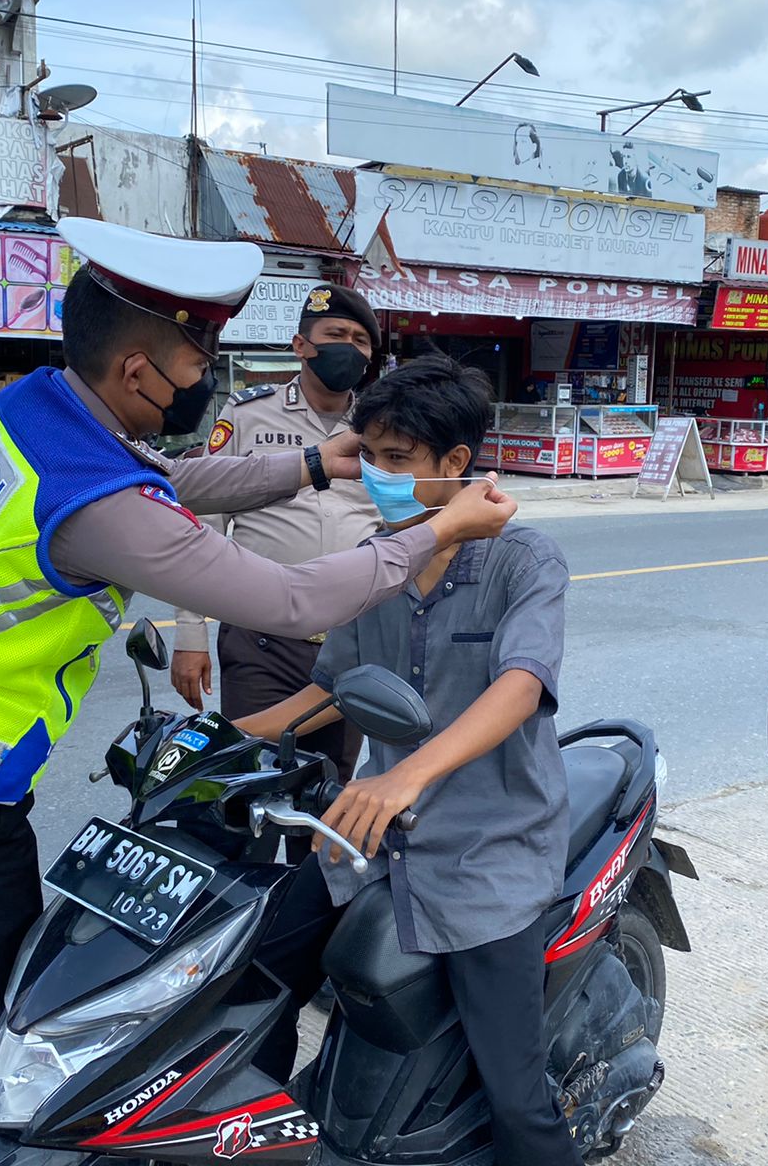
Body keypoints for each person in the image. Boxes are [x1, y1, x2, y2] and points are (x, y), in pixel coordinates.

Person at [0, 218, 519, 1166]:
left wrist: (315, 463)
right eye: (194, 355)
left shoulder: (38, 409)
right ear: (135, 372)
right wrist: (434, 534)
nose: (203, 374)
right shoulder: (95, 501)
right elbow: (286, 597)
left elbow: (175, 479)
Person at [236, 353, 581, 1166]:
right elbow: (328, 689)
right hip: (374, 843)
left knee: (516, 1095)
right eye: (375, 458)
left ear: (456, 465)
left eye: (398, 461)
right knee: (256, 973)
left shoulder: (524, 561)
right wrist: (224, 742)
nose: (381, 477)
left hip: (488, 850)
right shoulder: (380, 556)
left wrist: (403, 774)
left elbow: (522, 687)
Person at [171, 284, 384, 794]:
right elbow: (201, 523)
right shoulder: (248, 415)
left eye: (360, 341)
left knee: (325, 793)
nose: (348, 349)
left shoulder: (384, 425)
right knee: (251, 788)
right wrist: (189, 633)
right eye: (335, 335)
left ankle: (309, 877)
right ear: (300, 346)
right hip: (259, 639)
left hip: (350, 642)